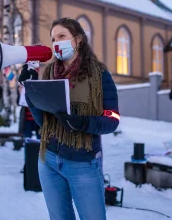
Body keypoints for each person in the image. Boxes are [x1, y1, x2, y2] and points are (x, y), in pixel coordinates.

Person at [18, 17, 120, 220]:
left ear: (79, 40)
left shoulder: (100, 75)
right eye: (53, 38)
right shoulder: (49, 73)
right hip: (48, 160)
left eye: (62, 36)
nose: (56, 42)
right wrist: (30, 89)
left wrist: (84, 123)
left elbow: (113, 118)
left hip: (83, 163)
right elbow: (42, 121)